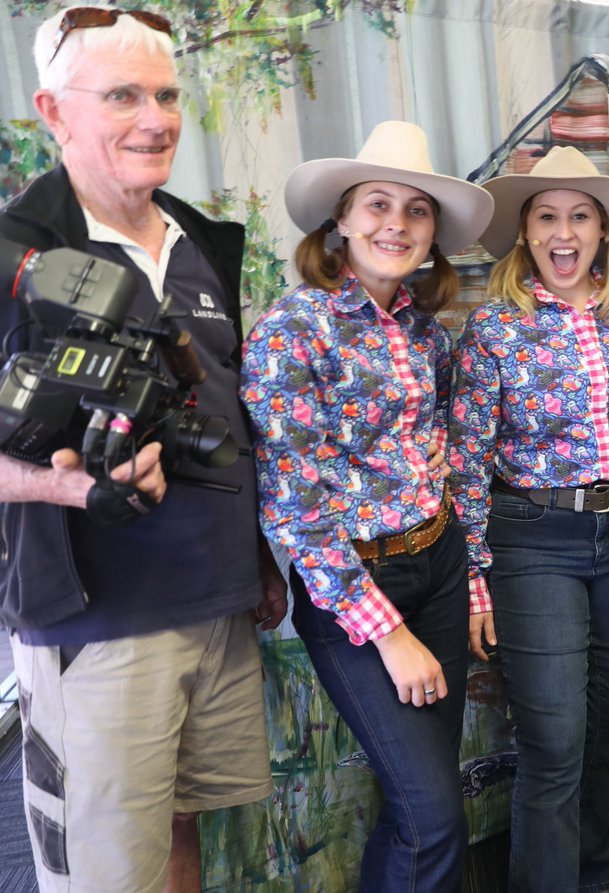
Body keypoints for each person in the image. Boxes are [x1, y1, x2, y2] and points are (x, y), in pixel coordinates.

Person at [0, 9, 287, 892]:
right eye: (122, 95)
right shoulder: (16, 253)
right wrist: (73, 492)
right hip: (98, 624)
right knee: (106, 871)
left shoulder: (200, 242)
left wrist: (263, 564)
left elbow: (223, 412)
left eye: (165, 93)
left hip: (215, 603)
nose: (155, 117)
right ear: (55, 111)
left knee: (185, 837)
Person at [240, 120, 493, 893]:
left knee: (426, 797)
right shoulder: (293, 330)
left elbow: (439, 454)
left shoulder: (424, 333)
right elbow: (295, 506)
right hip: (355, 592)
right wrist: (387, 635)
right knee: (433, 812)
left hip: (441, 564)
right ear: (340, 220)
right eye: (377, 204)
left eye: (417, 211)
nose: (397, 224)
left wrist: (473, 578)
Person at [446, 146, 609, 892]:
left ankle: (590, 865)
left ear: (604, 230)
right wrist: (478, 583)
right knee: (554, 741)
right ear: (525, 233)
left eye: (580, 215)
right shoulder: (492, 330)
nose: (564, 231)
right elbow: (466, 462)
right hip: (533, 537)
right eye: (547, 216)